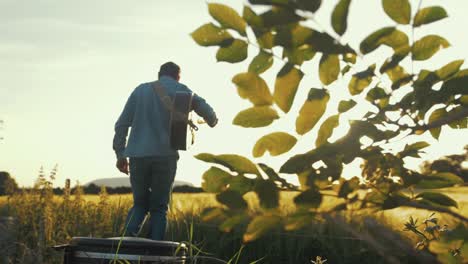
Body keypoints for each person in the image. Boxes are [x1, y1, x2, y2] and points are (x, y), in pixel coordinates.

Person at [112, 62, 218, 240]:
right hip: (165, 157)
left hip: (138, 156)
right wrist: (212, 120)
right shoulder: (182, 90)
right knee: (159, 208)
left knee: (139, 205)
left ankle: (123, 249)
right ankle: (156, 254)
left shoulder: (140, 91)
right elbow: (208, 112)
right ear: (178, 76)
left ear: (159, 74)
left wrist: (120, 154)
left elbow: (121, 125)